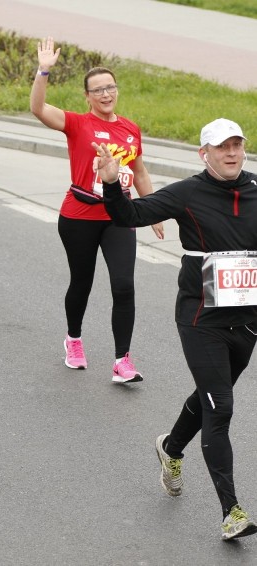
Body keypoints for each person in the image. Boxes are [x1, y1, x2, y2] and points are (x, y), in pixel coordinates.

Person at [98, 118, 257, 540]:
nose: (231, 153)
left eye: (237, 145)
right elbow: (129, 215)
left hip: (247, 322)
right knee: (220, 407)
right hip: (201, 320)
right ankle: (232, 513)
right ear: (203, 154)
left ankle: (170, 447)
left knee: (210, 394)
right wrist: (114, 185)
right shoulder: (188, 192)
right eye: (222, 147)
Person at [30, 36, 163, 382]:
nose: (106, 94)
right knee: (82, 282)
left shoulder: (130, 129)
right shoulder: (77, 123)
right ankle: (73, 338)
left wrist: (152, 211)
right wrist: (43, 71)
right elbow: (38, 109)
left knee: (123, 285)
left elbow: (140, 172)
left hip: (119, 216)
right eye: (98, 90)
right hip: (79, 215)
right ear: (87, 96)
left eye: (110, 88)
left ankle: (123, 360)